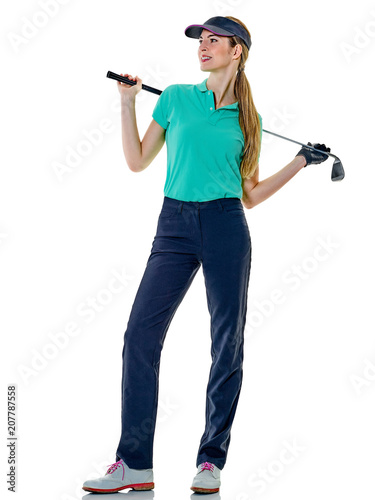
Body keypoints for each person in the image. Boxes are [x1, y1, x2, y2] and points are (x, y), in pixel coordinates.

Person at [82, 16, 330, 495]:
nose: (204, 46)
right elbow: (136, 162)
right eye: (202, 40)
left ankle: (210, 461)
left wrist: (300, 162)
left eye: (215, 40)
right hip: (173, 225)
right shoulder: (175, 97)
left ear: (237, 50)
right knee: (139, 335)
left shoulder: (248, 119)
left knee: (226, 343)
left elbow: (251, 194)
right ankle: (134, 463)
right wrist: (128, 104)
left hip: (225, 226)